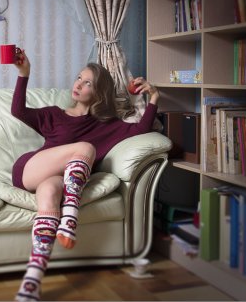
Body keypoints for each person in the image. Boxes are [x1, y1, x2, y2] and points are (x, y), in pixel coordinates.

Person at [11, 50, 159, 301]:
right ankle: (71, 212)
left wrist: (154, 96)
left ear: (99, 93)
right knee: (86, 148)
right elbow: (18, 111)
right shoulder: (54, 114)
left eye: (87, 82)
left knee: (49, 193)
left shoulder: (108, 126)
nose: (78, 84)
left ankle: (32, 280)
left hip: (54, 180)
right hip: (29, 169)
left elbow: (143, 129)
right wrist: (24, 73)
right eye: (79, 78)